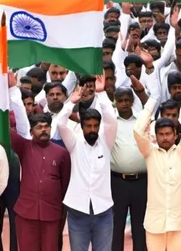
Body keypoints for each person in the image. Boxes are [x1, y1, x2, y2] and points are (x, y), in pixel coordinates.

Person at [134, 73, 181, 251]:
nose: (165, 137)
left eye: (169, 134)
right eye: (161, 134)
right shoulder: (150, 153)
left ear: (175, 135)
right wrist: (152, 104)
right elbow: (138, 131)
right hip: (155, 223)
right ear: (156, 135)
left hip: (179, 221)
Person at [57, 76, 118, 251]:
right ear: (81, 126)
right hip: (78, 211)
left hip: (103, 212)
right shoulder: (74, 143)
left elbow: (112, 121)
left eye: (95, 126)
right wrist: (71, 102)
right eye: (88, 126)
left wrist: (101, 93)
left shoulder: (106, 142)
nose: (92, 129)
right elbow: (61, 124)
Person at [9, 82, 71, 251]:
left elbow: (64, 185)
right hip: (26, 212)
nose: (44, 130)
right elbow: (8, 128)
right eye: (39, 128)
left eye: (46, 127)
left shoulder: (61, 153)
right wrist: (10, 90)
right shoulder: (24, 147)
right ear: (31, 132)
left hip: (51, 212)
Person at [111, 87, 148, 251]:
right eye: (120, 100)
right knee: (116, 226)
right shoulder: (110, 122)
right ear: (115, 102)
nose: (124, 103)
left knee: (140, 227)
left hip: (142, 181)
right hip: (117, 182)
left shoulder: (142, 120)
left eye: (127, 100)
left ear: (132, 101)